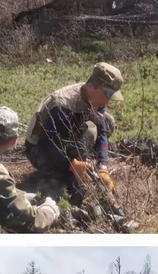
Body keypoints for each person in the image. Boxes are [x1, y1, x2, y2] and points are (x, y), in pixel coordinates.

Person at [25, 63, 123, 201]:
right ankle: (61, 176)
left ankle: (78, 166)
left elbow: (102, 131)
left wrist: (103, 166)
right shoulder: (62, 105)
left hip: (67, 137)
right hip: (39, 150)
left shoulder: (93, 98)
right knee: (67, 177)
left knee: (106, 121)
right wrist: (71, 163)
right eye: (106, 96)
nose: (107, 102)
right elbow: (46, 145)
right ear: (94, 87)